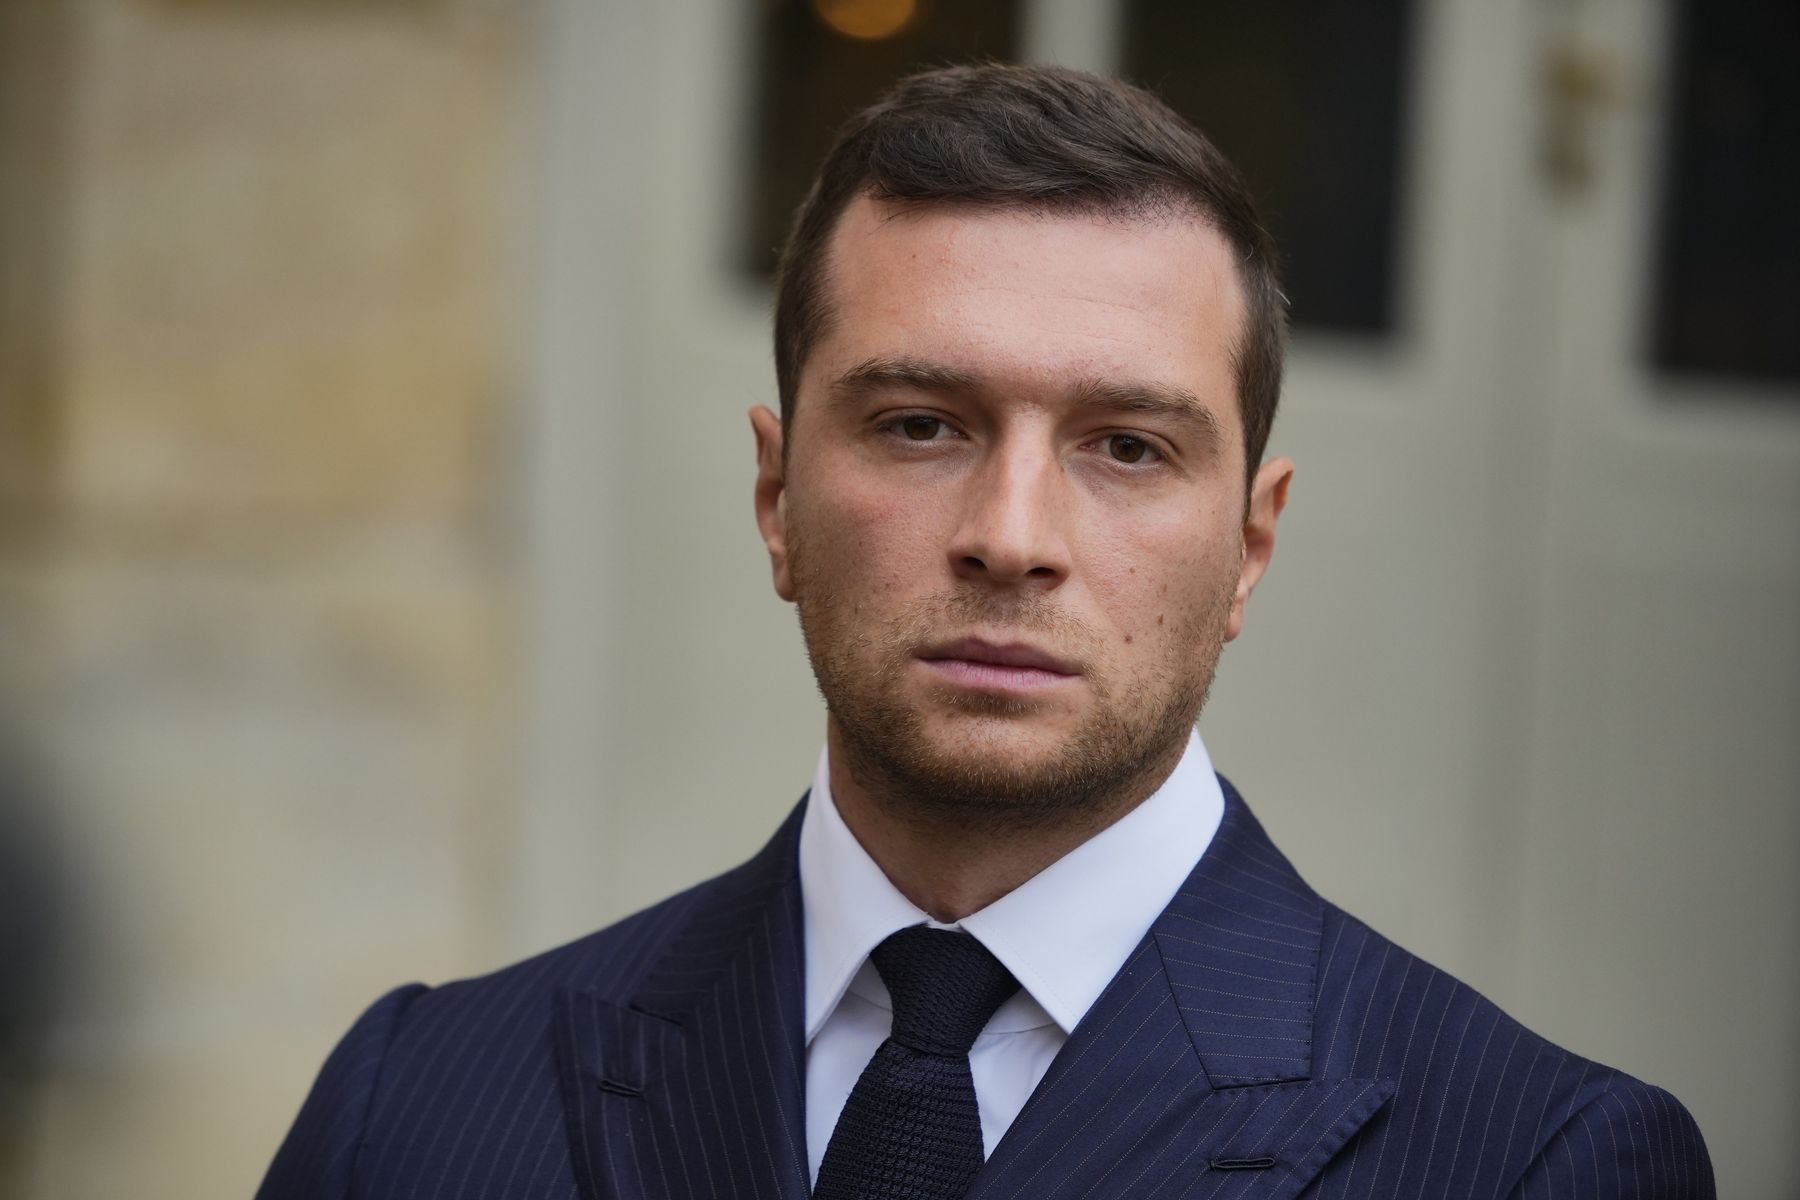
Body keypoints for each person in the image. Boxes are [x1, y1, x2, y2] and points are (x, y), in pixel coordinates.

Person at [259, 64, 1712, 1199]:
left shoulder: (1535, 1161)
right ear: (776, 499)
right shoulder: (415, 1102)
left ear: (1250, 548)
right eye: (919, 424)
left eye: (1127, 447)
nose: (1012, 536)